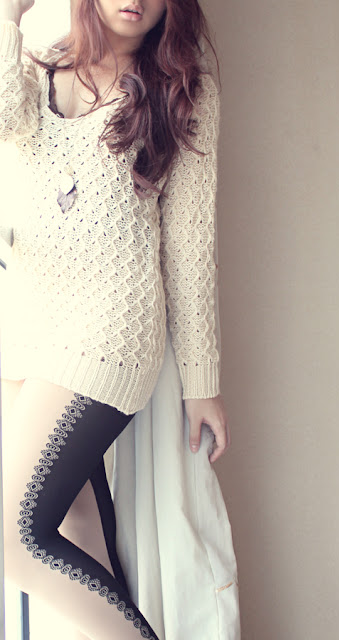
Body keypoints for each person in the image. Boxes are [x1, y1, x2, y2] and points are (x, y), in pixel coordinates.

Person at [0, 0, 231, 638]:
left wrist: (202, 381)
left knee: (13, 536)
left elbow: (190, 248)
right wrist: (9, 15)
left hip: (110, 330)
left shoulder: (182, 90)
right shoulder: (34, 69)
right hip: (27, 330)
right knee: (79, 532)